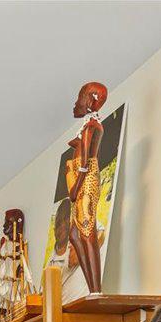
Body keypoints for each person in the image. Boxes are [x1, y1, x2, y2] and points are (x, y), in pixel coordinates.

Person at [66, 82, 108, 293]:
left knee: (86, 231)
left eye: (80, 99)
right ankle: (93, 288)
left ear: (91, 100)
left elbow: (84, 160)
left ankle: (95, 289)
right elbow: (81, 149)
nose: (76, 104)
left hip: (85, 180)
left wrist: (76, 186)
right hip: (82, 178)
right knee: (75, 235)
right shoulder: (88, 127)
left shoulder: (92, 127)